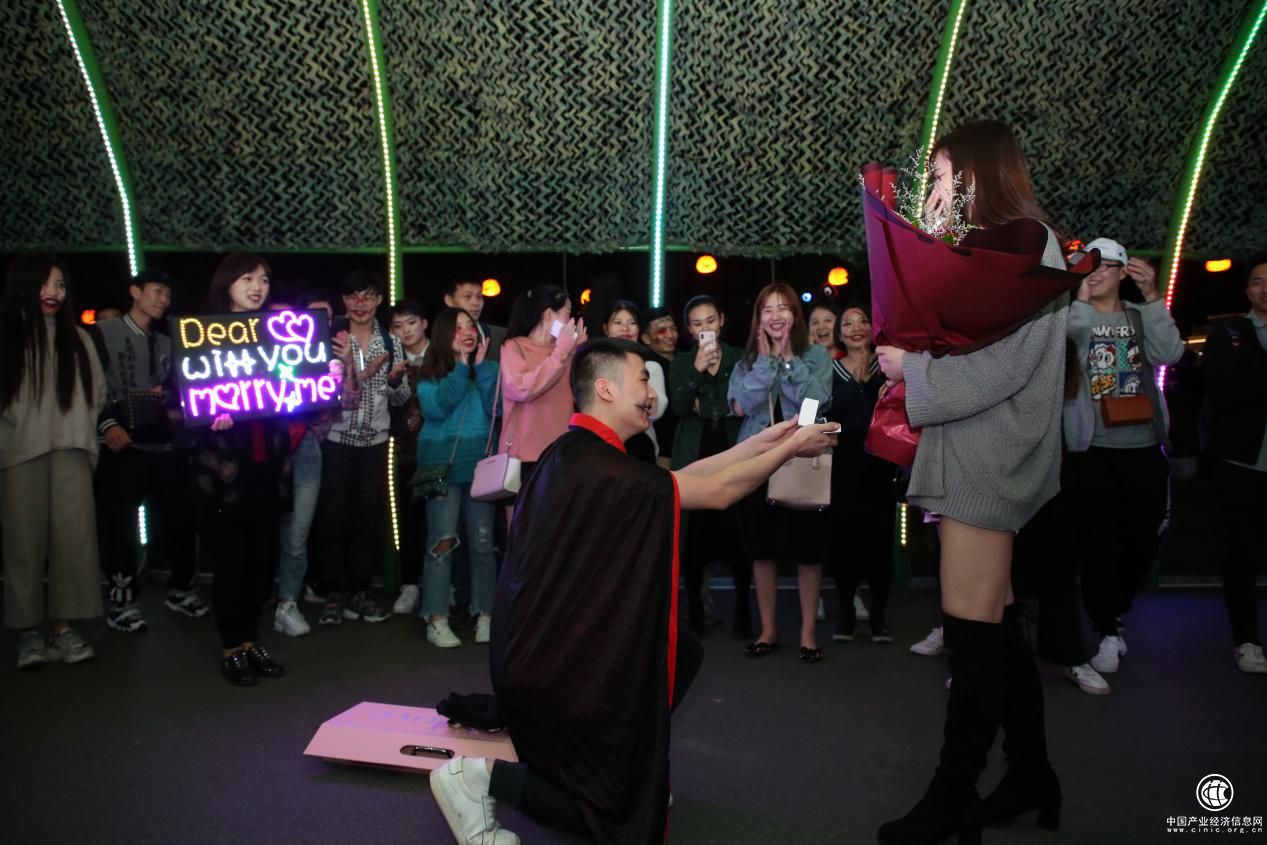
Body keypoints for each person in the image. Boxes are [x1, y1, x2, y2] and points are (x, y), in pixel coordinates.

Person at [428, 337, 837, 845]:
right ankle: (479, 779)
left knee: (680, 653)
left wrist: (769, 441)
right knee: (622, 815)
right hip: (551, 666)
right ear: (605, 389)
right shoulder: (601, 467)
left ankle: (624, 763)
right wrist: (792, 449)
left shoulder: (582, 453)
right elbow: (717, 492)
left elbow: (682, 480)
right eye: (643, 379)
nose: (652, 393)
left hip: (544, 649)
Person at [873, 121, 1070, 842]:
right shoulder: (1000, 245)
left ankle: (951, 798)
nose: (931, 188)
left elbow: (1000, 368)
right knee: (997, 625)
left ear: (975, 176)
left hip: (988, 458)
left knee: (971, 634)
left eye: (938, 176)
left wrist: (912, 369)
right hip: (974, 450)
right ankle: (1030, 772)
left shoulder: (1027, 246)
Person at [1063, 238, 1183, 675]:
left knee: (1143, 538)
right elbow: (1069, 351)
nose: (1094, 273)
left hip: (1143, 445)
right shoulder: (1074, 316)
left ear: (1122, 272)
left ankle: (1116, 606)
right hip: (1091, 448)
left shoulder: (1138, 315)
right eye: (1087, 266)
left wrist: (1151, 297)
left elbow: (1169, 353)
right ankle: (1108, 628)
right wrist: (1079, 299)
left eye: (1103, 266)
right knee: (1095, 541)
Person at [1, 254, 105, 670]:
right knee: (22, 546)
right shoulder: (7, 338)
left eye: (60, 285)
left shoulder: (78, 339)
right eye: (45, 283)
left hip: (72, 451)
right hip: (18, 454)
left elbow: (97, 394)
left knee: (74, 544)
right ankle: (28, 631)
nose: (53, 293)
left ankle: (63, 628)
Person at [192, 253, 291, 685]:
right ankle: (231, 648)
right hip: (224, 472)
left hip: (267, 466)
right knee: (231, 562)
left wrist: (322, 375)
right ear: (227, 284)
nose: (257, 287)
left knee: (260, 562)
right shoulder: (201, 334)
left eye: (264, 280)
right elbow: (180, 400)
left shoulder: (276, 333)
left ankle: (250, 642)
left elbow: (294, 387)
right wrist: (206, 416)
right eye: (248, 278)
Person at [91, 269, 205, 635]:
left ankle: (181, 588)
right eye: (157, 291)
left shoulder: (168, 342)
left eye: (168, 295)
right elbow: (89, 389)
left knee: (179, 520)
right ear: (135, 291)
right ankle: (122, 602)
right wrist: (107, 424)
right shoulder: (101, 334)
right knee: (120, 527)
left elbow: (179, 392)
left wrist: (170, 400)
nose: (163, 300)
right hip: (122, 444)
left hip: (162, 444)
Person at [728, 282, 832, 661]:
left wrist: (788, 360)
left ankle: (808, 635)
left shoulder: (816, 356)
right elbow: (740, 405)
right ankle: (768, 630)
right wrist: (766, 362)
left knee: (807, 551)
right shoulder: (746, 361)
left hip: (800, 459)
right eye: (767, 309)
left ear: (795, 315)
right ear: (759, 319)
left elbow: (816, 404)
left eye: (783, 308)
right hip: (756, 462)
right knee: (761, 550)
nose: (776, 316)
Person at [314, 270, 410, 626]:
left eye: (368, 296)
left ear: (379, 300)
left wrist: (396, 381)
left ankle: (360, 592)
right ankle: (333, 593)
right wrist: (350, 372)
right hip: (336, 439)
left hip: (375, 442)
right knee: (333, 518)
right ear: (344, 300)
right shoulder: (331, 339)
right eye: (353, 296)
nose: (360, 303)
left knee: (367, 519)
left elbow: (400, 398)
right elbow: (321, 392)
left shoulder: (392, 343)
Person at [415, 308, 500, 648]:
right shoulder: (429, 372)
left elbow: (498, 409)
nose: (467, 331)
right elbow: (436, 408)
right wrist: (462, 367)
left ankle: (485, 614)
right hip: (439, 465)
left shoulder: (490, 369)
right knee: (442, 543)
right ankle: (436, 618)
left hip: (480, 464)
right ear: (443, 334)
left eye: (471, 326)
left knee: (483, 544)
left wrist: (480, 367)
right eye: (458, 327)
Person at [670, 294, 750, 637]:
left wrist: (714, 406)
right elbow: (679, 406)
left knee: (738, 533)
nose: (705, 328)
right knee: (694, 538)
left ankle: (744, 608)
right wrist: (697, 370)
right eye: (697, 323)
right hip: (696, 452)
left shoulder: (740, 357)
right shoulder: (682, 361)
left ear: (722, 321)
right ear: (689, 329)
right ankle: (696, 611)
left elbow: (742, 404)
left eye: (710, 321)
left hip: (733, 448)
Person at [1202, 256, 1267, 673]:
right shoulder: (1229, 335)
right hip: (1243, 461)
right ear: (1247, 290)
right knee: (1242, 552)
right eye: (1258, 282)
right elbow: (1223, 393)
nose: (1266, 289)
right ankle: (1246, 640)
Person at [825, 303, 899, 643]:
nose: (856, 328)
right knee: (844, 544)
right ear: (839, 333)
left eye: (863, 321)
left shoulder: (887, 365)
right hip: (842, 468)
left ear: (873, 327)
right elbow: (820, 415)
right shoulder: (830, 369)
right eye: (848, 323)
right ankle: (846, 615)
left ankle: (880, 617)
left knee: (880, 544)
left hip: (880, 466)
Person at [273, 294, 344, 637]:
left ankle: (287, 603)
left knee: (297, 534)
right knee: (261, 533)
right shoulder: (251, 358)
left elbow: (339, 403)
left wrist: (339, 375)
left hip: (306, 448)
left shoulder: (322, 357)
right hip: (262, 448)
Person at [499, 285, 584, 510]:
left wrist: (578, 351)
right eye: (567, 313)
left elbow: (581, 397)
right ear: (548, 314)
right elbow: (521, 389)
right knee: (522, 524)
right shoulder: (513, 347)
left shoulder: (564, 350)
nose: (571, 320)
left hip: (560, 452)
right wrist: (561, 353)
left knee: (557, 523)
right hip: (522, 455)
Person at [387, 300, 430, 615]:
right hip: (405, 452)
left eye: (411, 322)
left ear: (424, 323)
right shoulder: (391, 361)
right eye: (398, 326)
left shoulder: (443, 356)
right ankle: (410, 584)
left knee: (440, 518)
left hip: (439, 449)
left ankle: (444, 584)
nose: (406, 331)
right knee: (409, 519)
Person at [602, 300, 667, 463]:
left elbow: (657, 412)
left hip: (640, 446)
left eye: (632, 323)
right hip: (602, 443)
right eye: (618, 323)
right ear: (606, 328)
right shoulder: (597, 365)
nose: (625, 328)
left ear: (639, 329)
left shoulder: (651, 367)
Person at [640, 305, 681, 461]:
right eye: (662, 330)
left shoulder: (687, 361)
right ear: (646, 338)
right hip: (662, 449)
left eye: (673, 328)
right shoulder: (645, 367)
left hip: (687, 446)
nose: (670, 335)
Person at [444, 279, 506, 362]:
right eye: (467, 296)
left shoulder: (502, 336)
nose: (476, 303)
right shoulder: (438, 340)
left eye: (479, 296)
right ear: (449, 301)